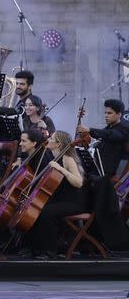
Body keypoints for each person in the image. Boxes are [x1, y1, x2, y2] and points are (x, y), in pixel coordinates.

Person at [20, 130, 85, 260]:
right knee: (35, 209)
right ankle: (35, 247)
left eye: (51, 139)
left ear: (59, 144)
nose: (48, 140)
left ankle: (50, 251)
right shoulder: (52, 156)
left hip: (74, 202)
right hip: (60, 200)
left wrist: (60, 169)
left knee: (47, 212)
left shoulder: (67, 158)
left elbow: (79, 182)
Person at [76, 98, 129, 178]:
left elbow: (109, 135)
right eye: (105, 113)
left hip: (110, 176)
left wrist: (89, 130)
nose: (106, 115)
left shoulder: (124, 129)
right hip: (98, 171)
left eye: (109, 113)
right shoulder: (107, 129)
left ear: (119, 115)